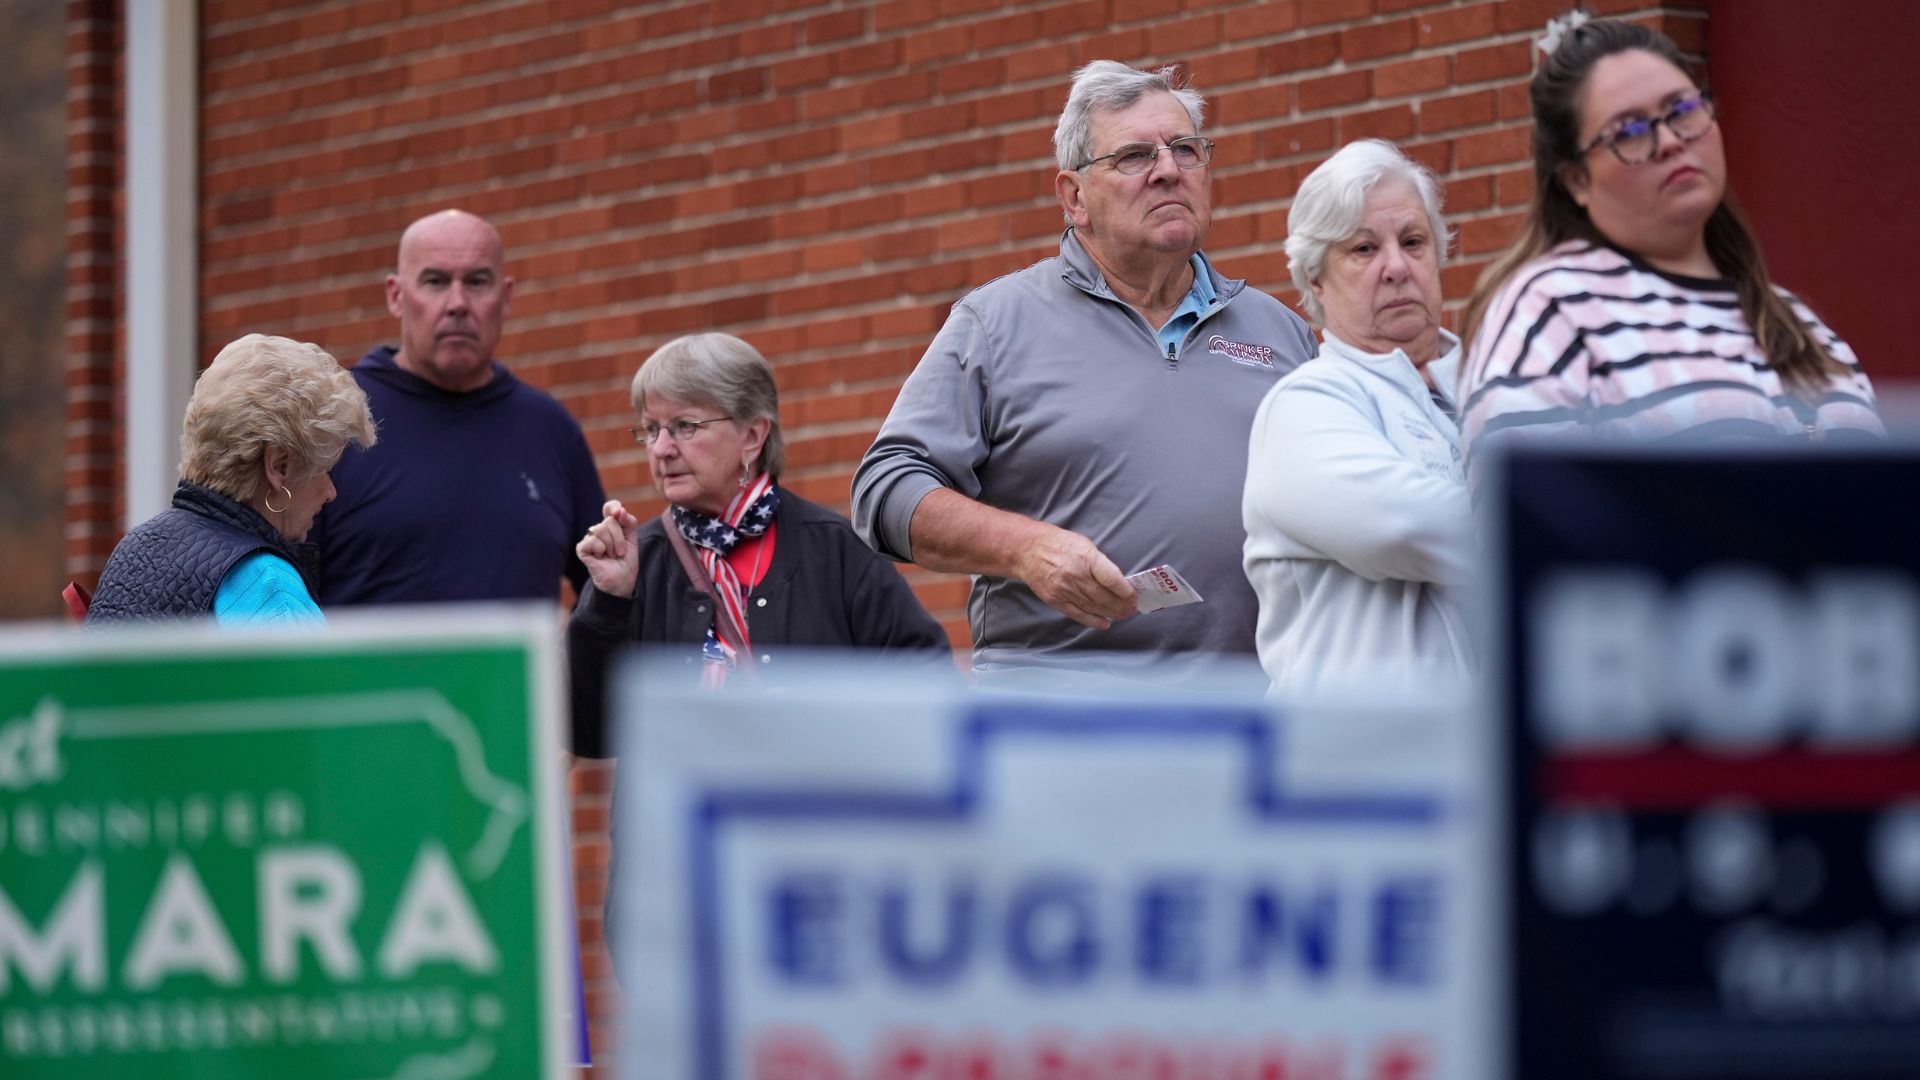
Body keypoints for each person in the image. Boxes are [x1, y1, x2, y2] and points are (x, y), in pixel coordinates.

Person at [852, 60, 1317, 676]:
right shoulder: (998, 321)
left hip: (1248, 714)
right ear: (1074, 197)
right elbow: (883, 491)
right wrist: (1028, 549)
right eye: (1133, 156)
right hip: (1057, 721)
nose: (1169, 170)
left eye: (1185, 149)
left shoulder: (1281, 333)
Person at [1457, 16, 1882, 485]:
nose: (1670, 142)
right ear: (1576, 179)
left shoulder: (1800, 325)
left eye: (1682, 110)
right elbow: (1530, 534)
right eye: (1630, 131)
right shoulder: (1550, 311)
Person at [568, 332, 950, 758]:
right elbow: (590, 734)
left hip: (812, 817)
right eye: (651, 429)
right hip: (680, 821)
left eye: (684, 426)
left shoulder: (832, 548)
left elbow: (926, 682)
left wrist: (824, 722)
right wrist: (608, 602)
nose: (660, 448)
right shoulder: (638, 561)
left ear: (752, 435)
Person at [1241, 140, 1474, 695]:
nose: (1397, 267)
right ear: (1315, 280)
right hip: (1351, 768)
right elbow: (1420, 528)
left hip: (1491, 765)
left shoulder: (1494, 388)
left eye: (1413, 242)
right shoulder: (1304, 406)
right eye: (1364, 249)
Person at [310, 209, 606, 605]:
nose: (458, 303)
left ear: (506, 297)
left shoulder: (551, 428)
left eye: (477, 282)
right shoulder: (331, 417)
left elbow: (605, 595)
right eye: (435, 281)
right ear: (396, 296)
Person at [87, 334, 375, 625]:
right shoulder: (269, 588)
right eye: (324, 469)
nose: (330, 492)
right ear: (279, 466)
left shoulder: (135, 549)